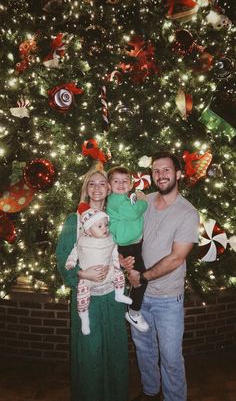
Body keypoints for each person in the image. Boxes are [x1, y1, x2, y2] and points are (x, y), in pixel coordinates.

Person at [123, 152, 200, 401]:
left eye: (166, 170)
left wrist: (142, 277)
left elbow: (177, 258)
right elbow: (129, 236)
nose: (161, 175)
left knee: (170, 357)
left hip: (168, 299)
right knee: (144, 350)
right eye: (156, 170)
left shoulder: (188, 213)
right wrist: (125, 261)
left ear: (178, 174)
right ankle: (149, 392)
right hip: (140, 297)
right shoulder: (144, 202)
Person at [56, 165, 129, 401]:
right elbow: (62, 260)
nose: (96, 188)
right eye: (91, 184)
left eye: (101, 183)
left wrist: (125, 261)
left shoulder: (115, 218)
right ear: (86, 189)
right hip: (86, 298)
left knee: (115, 351)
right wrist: (82, 274)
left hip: (112, 297)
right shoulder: (73, 220)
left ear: (109, 188)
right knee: (90, 352)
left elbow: (123, 250)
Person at [65, 207, 132, 335]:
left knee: (118, 275)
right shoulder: (83, 241)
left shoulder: (110, 239)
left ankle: (119, 294)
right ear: (89, 230)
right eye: (99, 226)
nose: (105, 228)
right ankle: (84, 317)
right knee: (82, 293)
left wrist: (116, 266)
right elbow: (75, 252)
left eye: (106, 225)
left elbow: (114, 253)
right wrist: (71, 262)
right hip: (87, 279)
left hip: (108, 274)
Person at [107, 166, 149, 332]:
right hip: (127, 246)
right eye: (116, 181)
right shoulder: (116, 199)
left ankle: (129, 301)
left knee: (137, 277)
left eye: (125, 181)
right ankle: (134, 313)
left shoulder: (125, 198)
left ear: (131, 184)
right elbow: (133, 213)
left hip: (134, 244)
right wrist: (143, 202)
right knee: (141, 280)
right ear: (109, 185)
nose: (121, 184)